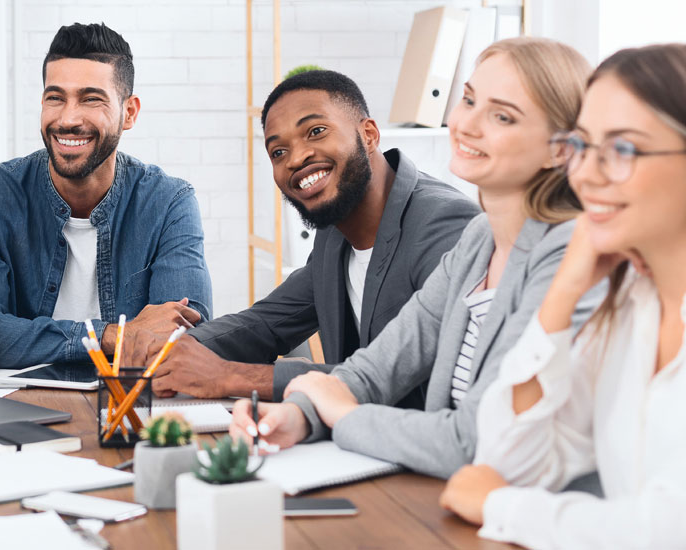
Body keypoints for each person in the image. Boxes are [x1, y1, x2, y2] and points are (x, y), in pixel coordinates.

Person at [229, 38, 604, 478]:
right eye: (468, 100)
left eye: (501, 115)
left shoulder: (567, 255)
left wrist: (344, 417)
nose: (467, 124)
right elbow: (376, 370)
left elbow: (474, 440)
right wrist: (297, 416)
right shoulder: (481, 240)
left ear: (560, 149)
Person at [440, 43, 686, 549]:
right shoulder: (630, 306)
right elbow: (513, 460)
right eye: (582, 145)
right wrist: (563, 290)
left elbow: (679, 530)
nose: (585, 173)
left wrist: (501, 506)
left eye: (623, 149)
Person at [125, 70, 480, 403]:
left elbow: (404, 379)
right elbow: (266, 323)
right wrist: (170, 351)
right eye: (278, 152)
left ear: (369, 134)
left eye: (315, 132)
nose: (296, 159)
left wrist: (231, 376)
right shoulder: (335, 235)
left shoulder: (445, 225)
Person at [0, 22, 212, 368]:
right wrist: (110, 335)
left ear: (129, 113)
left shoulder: (169, 202)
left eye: (91, 99)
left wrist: (32, 338)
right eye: (55, 98)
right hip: (18, 405)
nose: (68, 118)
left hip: (128, 401)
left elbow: (182, 335)